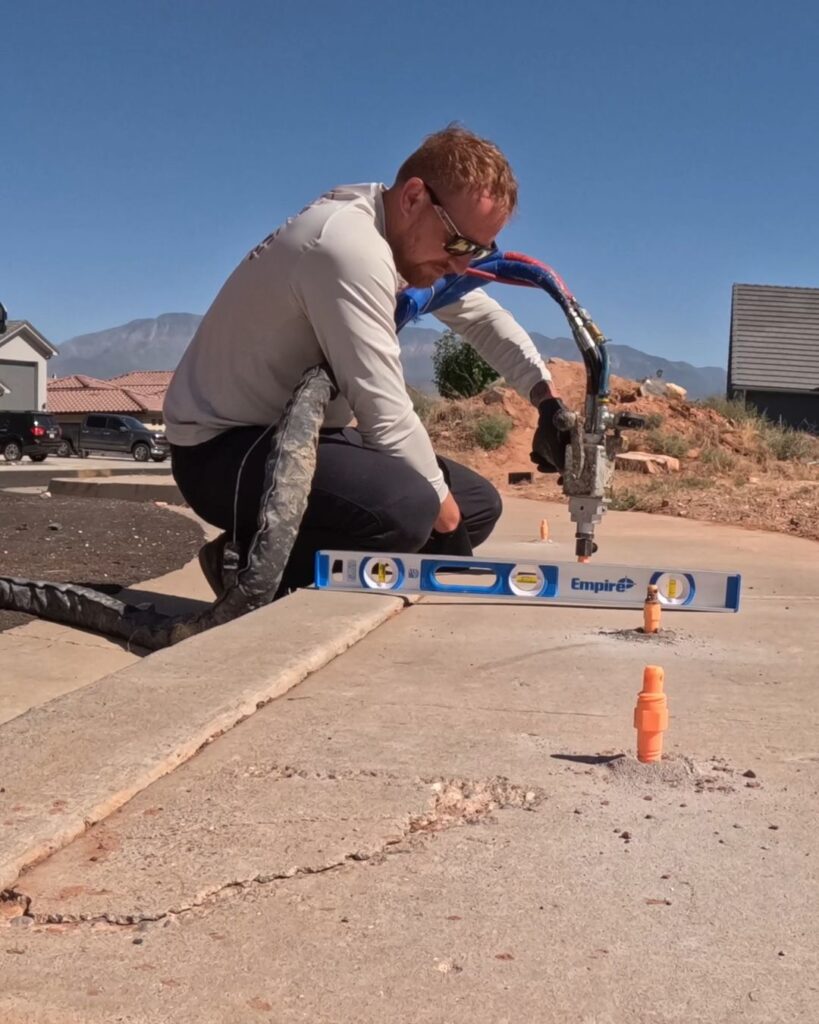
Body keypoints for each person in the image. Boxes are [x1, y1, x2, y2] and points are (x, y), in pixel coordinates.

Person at [163, 125, 570, 596]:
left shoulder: (403, 239)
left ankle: (270, 556)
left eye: (479, 251)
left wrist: (547, 402)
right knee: (412, 510)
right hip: (222, 452)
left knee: (477, 504)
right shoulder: (348, 248)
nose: (463, 265)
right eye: (460, 243)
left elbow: (482, 318)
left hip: (302, 437)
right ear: (414, 197)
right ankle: (247, 570)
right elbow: (385, 414)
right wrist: (452, 544)